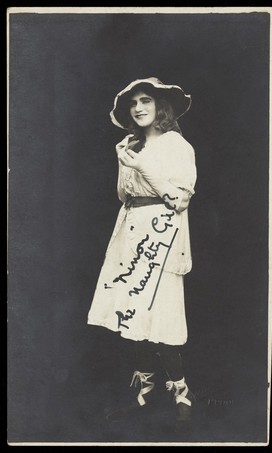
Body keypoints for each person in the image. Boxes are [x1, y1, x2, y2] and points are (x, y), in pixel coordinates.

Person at [87, 77, 197, 429]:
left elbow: (178, 199)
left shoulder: (177, 145)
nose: (138, 108)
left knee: (161, 315)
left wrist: (139, 166)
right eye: (133, 103)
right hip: (130, 233)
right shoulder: (130, 145)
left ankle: (182, 393)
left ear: (160, 106)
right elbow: (125, 197)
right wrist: (124, 162)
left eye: (145, 100)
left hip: (162, 235)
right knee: (131, 313)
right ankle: (145, 394)